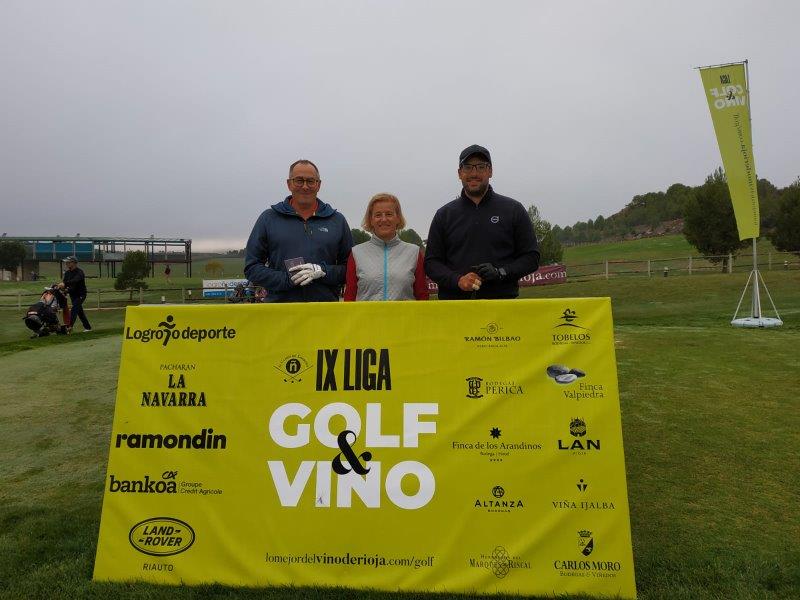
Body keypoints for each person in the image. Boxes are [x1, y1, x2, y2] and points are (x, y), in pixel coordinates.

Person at [424, 144, 540, 299]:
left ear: (490, 171)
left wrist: (501, 272)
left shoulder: (513, 209)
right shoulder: (444, 215)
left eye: (480, 167)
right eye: (468, 167)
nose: (474, 173)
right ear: (459, 173)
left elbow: (531, 257)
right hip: (454, 308)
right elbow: (432, 263)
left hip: (501, 306)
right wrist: (457, 280)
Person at [244, 159, 353, 302]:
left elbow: (350, 269)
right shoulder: (268, 218)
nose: (305, 186)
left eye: (311, 181)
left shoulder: (337, 221)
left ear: (319, 185)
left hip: (325, 311)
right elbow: (252, 267)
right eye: (299, 180)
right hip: (280, 311)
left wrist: (323, 271)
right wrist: (286, 279)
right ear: (289, 184)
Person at [344, 193, 429, 301]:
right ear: (371, 220)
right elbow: (349, 297)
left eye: (389, 214)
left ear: (398, 218)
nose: (383, 219)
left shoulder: (414, 252)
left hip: (404, 318)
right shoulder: (357, 253)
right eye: (378, 215)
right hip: (367, 318)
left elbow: (422, 296)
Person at [62, 256, 92, 332]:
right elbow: (65, 283)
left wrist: (65, 284)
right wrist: (63, 288)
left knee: (74, 309)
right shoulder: (67, 273)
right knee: (79, 311)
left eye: (68, 262)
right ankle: (88, 327)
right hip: (73, 295)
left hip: (81, 295)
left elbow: (75, 281)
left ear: (73, 263)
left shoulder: (80, 272)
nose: (66, 263)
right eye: (66, 262)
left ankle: (69, 327)